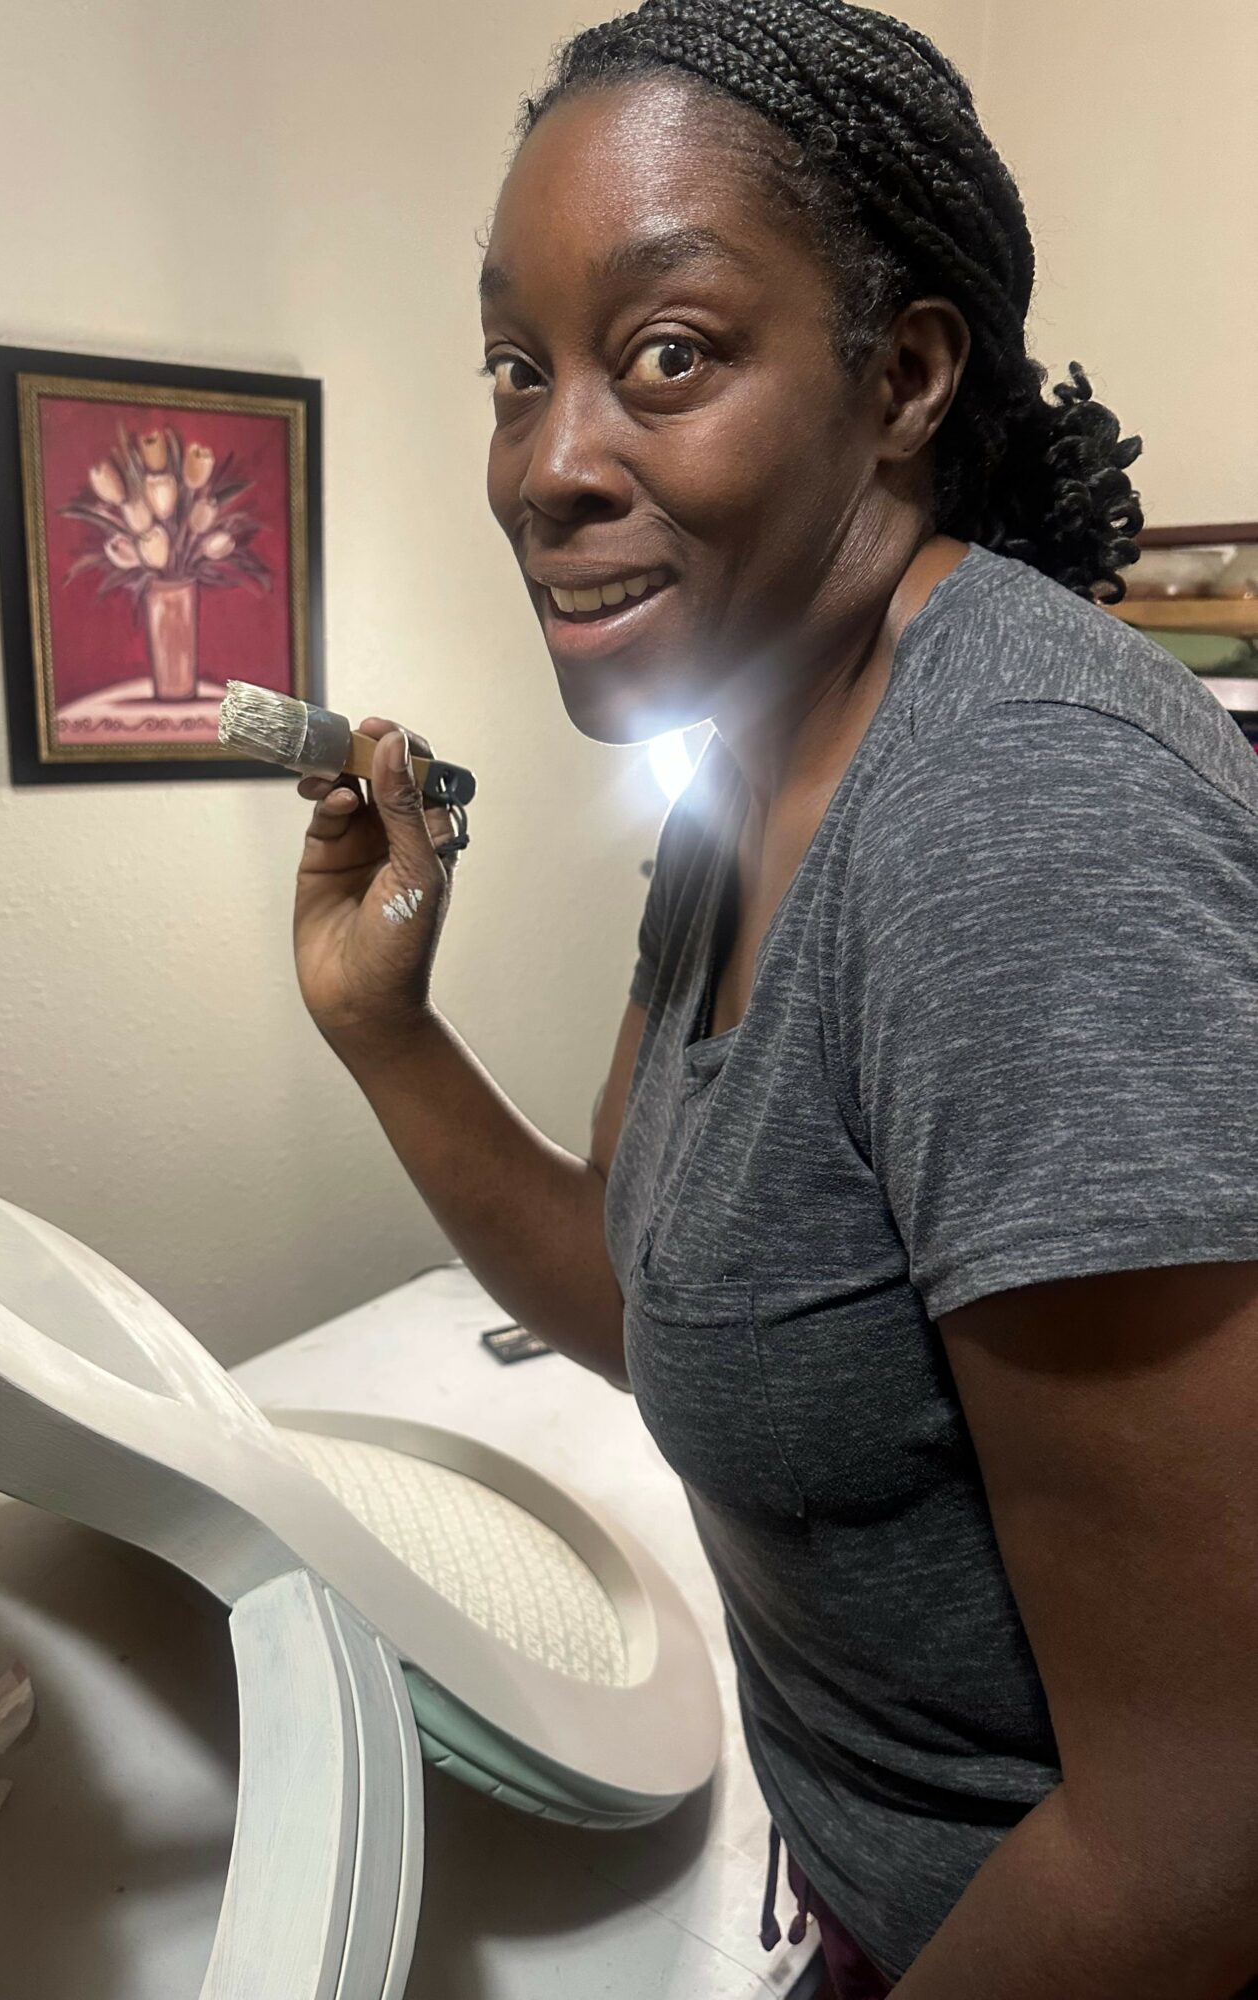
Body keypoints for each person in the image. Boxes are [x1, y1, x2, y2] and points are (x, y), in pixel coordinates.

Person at [288, 3, 1258, 1993]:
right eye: (516, 369)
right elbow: (662, 1298)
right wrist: (387, 1029)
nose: (547, 467)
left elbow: (1198, 1846)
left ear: (903, 376)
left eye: (668, 353)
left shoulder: (1020, 820)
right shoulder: (741, 763)